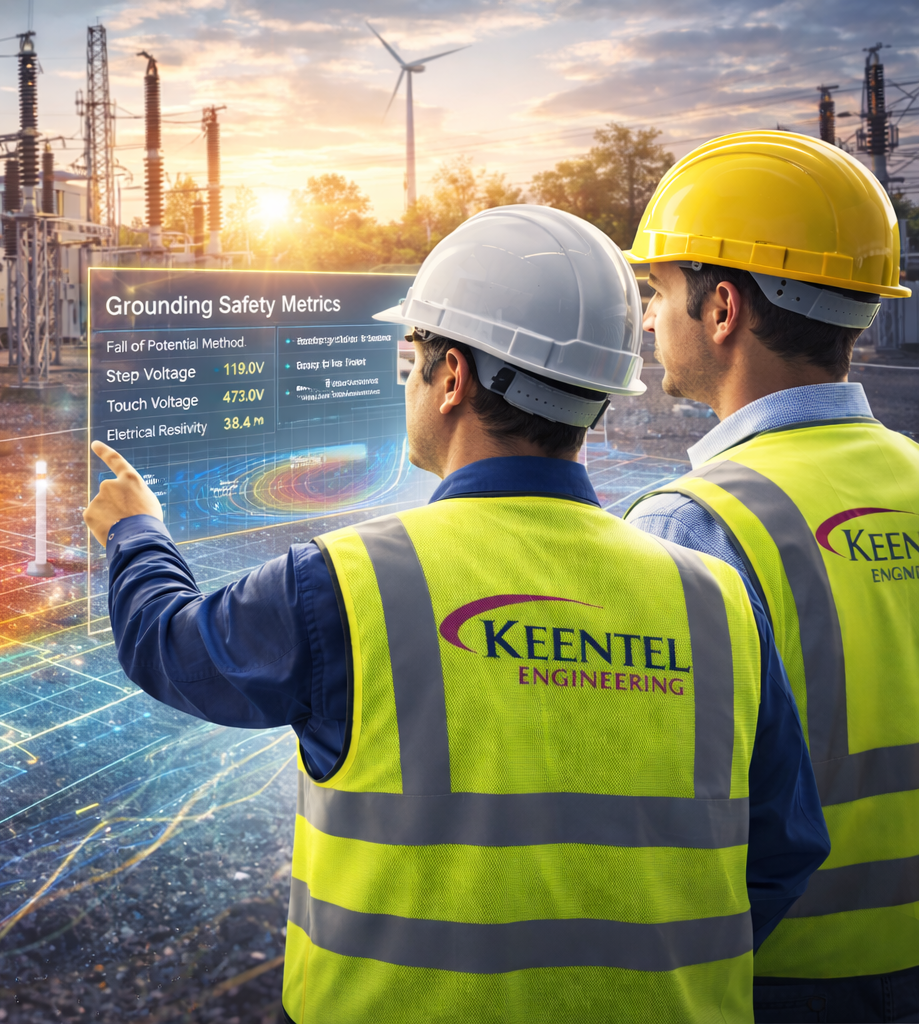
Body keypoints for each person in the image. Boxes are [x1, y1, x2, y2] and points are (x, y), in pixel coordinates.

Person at [86, 204, 828, 1022]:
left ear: (452, 380)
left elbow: (171, 647)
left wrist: (135, 530)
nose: (407, 381)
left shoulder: (346, 583)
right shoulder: (718, 601)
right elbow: (785, 848)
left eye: (413, 359)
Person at [622, 129, 919, 1023]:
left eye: (656, 290)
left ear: (722, 308)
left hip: (787, 978)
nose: (648, 319)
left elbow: (654, 829)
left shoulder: (692, 524)